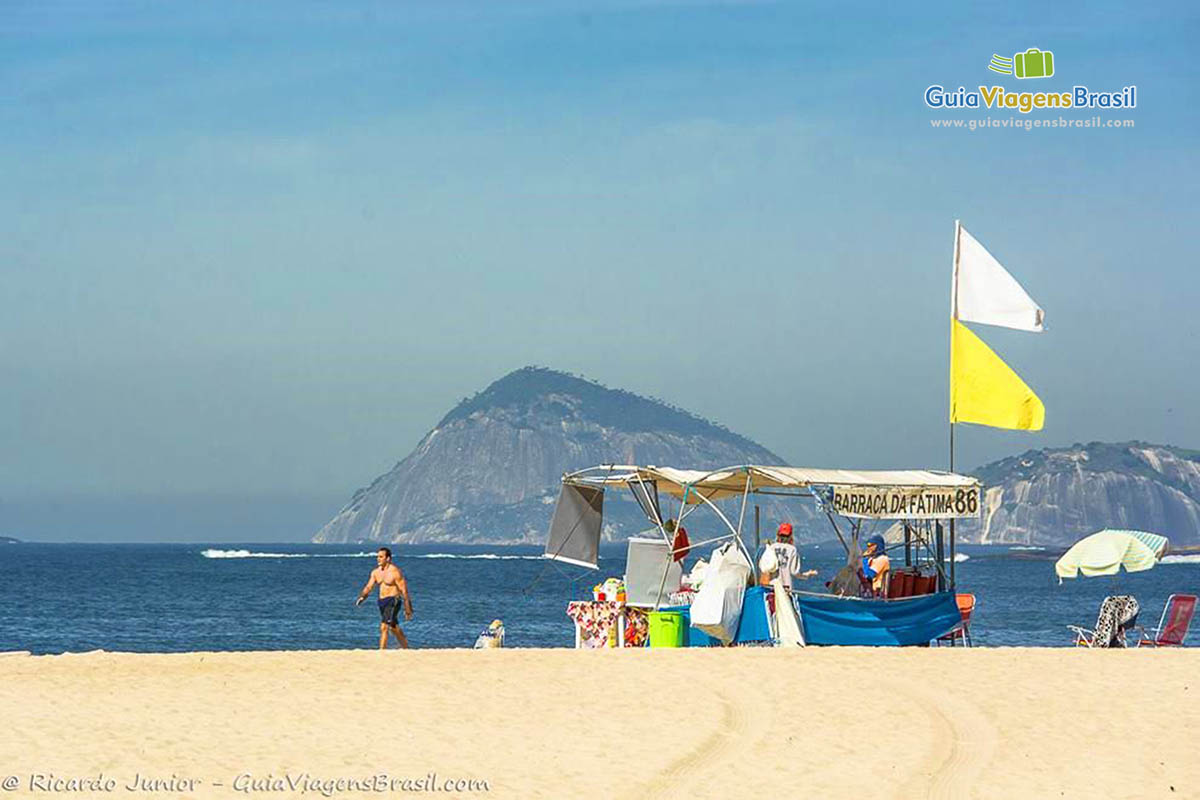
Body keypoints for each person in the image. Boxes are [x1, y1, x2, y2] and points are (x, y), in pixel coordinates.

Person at [356, 547, 414, 649]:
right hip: (382, 602)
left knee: (384, 627)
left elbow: (404, 590)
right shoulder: (375, 572)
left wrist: (408, 607)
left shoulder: (395, 572)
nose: (378, 559)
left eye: (381, 557)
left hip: (393, 600)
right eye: (377, 557)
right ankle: (406, 648)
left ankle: (382, 652)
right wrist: (362, 597)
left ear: (388, 558)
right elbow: (369, 586)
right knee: (393, 627)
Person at [759, 522, 818, 589]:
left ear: (778, 534)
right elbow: (794, 572)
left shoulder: (772, 547)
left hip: (772, 586)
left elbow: (764, 567)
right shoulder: (792, 549)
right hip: (786, 588)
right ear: (791, 536)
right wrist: (808, 574)